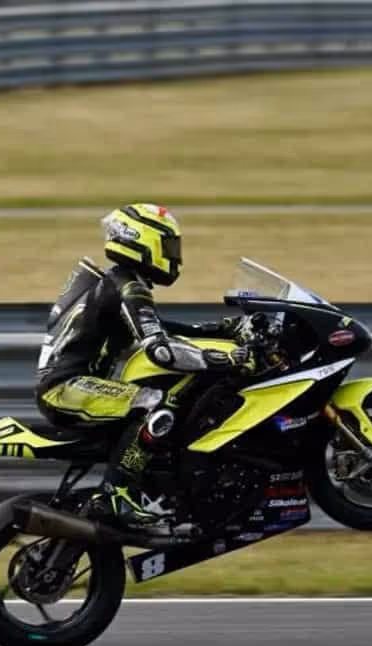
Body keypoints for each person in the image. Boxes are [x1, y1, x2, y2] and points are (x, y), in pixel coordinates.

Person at [35, 203, 256, 531]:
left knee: (162, 397)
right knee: (156, 404)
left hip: (70, 385)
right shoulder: (127, 286)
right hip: (66, 389)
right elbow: (161, 351)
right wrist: (221, 359)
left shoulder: (119, 282)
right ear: (143, 242)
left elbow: (159, 328)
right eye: (168, 246)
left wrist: (221, 330)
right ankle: (116, 496)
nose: (174, 256)